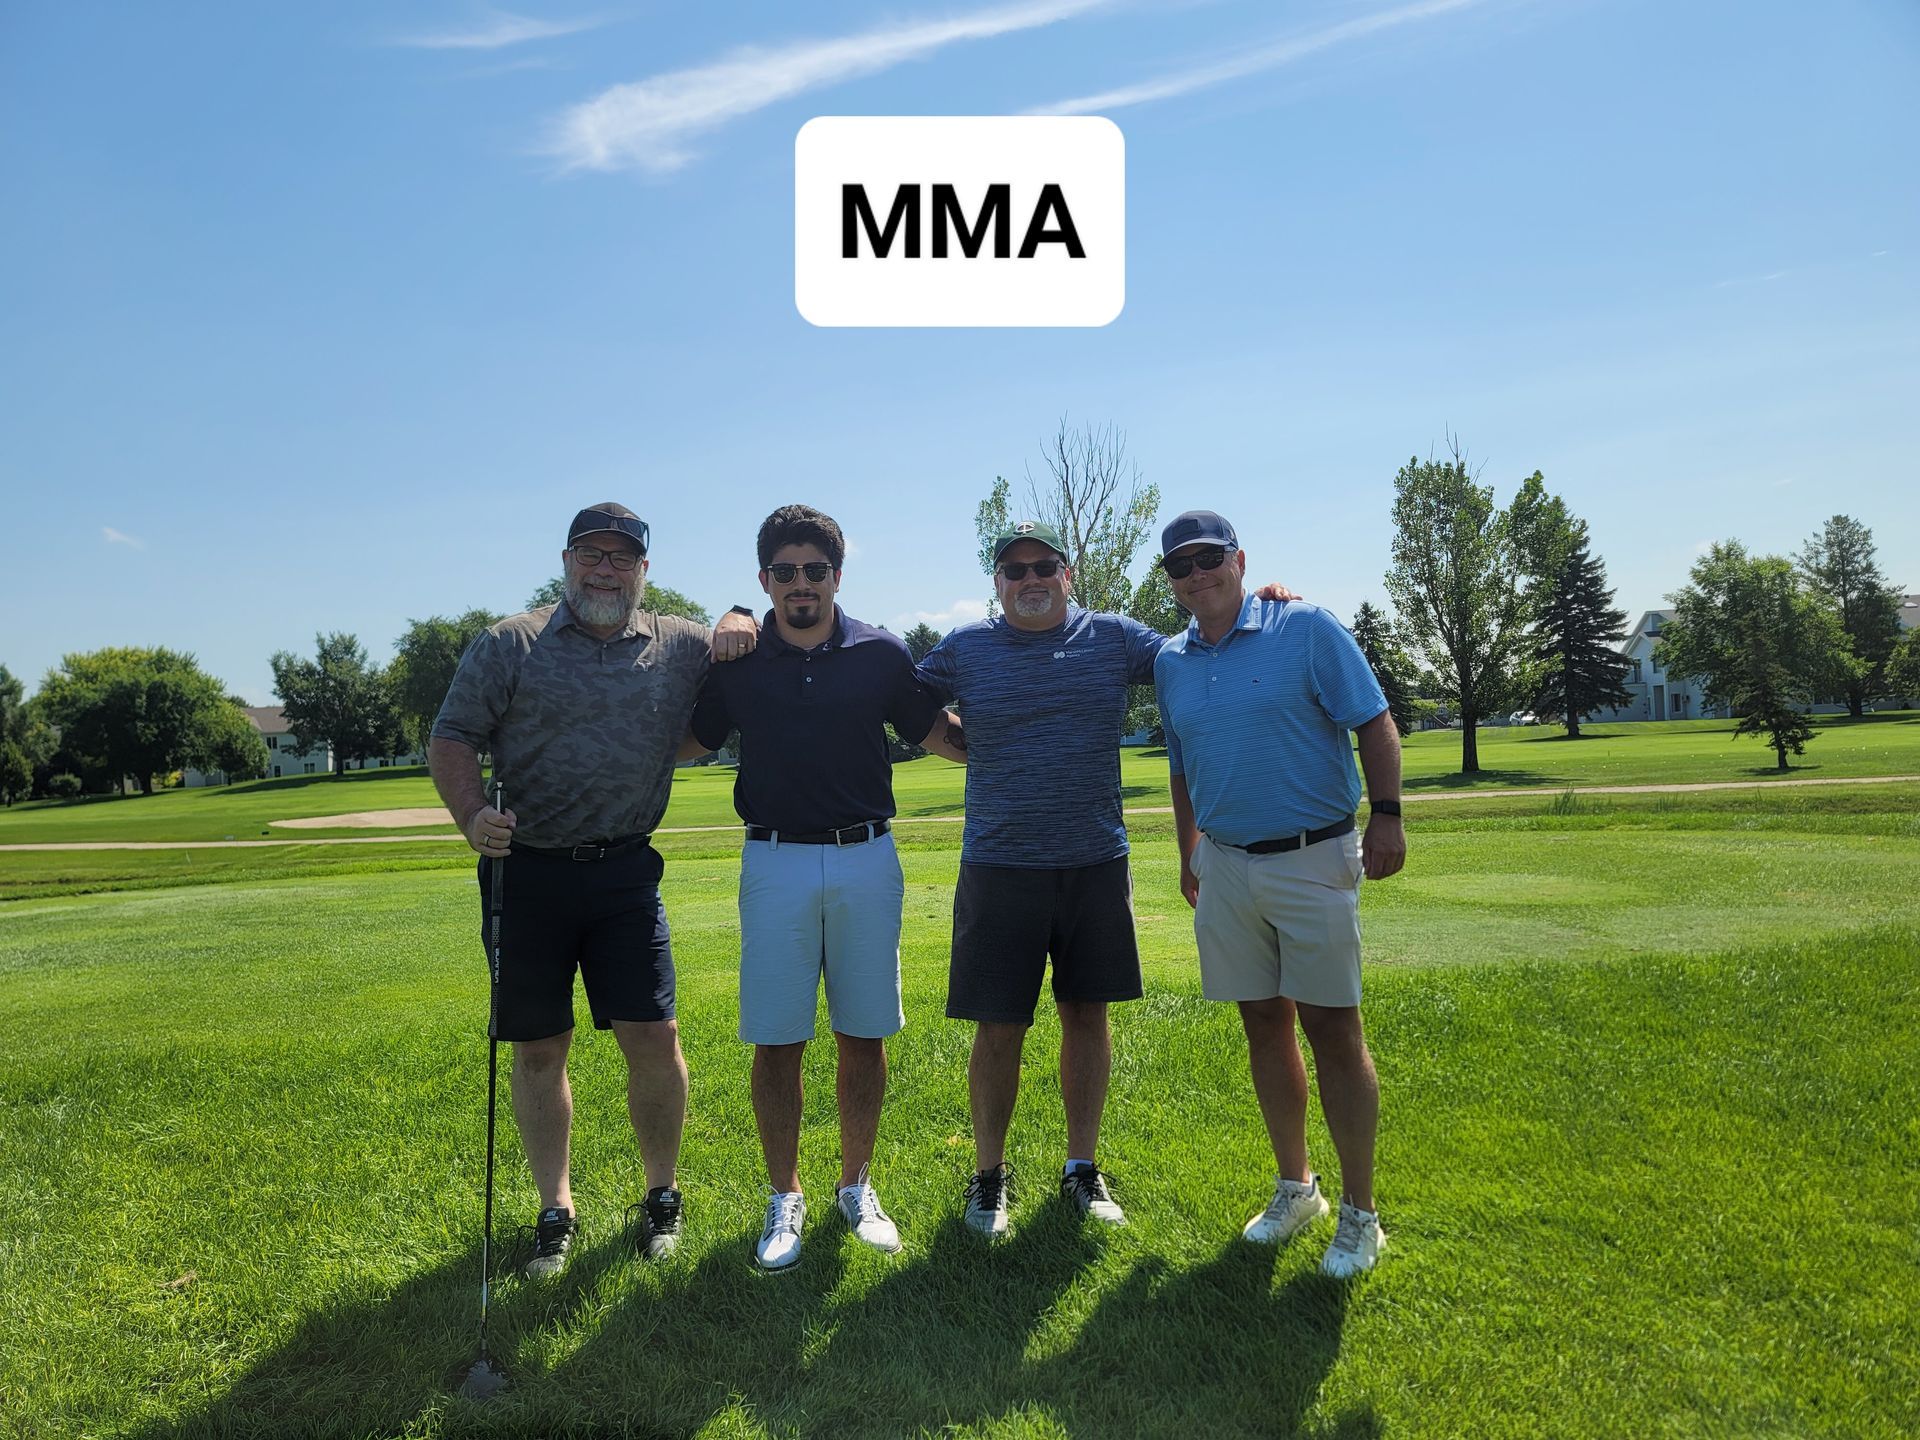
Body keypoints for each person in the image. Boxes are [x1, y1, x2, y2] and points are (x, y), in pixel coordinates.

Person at [915, 521, 1295, 1238]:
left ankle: (1080, 1168)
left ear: (1068, 574)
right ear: (996, 583)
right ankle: (989, 1177)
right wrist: (940, 736)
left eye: (1044, 567)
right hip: (999, 863)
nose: (1030, 579)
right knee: (999, 1027)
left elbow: (1202, 650)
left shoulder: (1115, 637)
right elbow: (896, 694)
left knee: (1087, 1015)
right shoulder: (966, 647)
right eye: (1014, 570)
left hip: (1094, 860)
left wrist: (1262, 605)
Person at [429, 501, 758, 1278]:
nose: (605, 569)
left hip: (624, 873)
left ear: (644, 570)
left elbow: (745, 649)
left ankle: (662, 1198)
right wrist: (472, 813)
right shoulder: (510, 642)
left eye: (621, 557)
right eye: (591, 554)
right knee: (540, 1048)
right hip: (527, 872)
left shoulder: (677, 643)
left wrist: (740, 610)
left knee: (655, 1036)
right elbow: (452, 736)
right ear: (567, 561)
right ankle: (556, 1208)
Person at [686, 504, 965, 1271]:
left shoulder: (879, 653)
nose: (800, 585)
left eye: (815, 571)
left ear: (837, 576)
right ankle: (785, 1196)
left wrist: (1036, 733)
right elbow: (687, 741)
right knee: (777, 1041)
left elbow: (939, 734)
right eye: (784, 573)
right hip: (773, 861)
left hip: (865, 858)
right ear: (764, 579)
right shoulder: (737, 659)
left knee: (862, 1034)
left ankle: (856, 1185)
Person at [1153, 509, 1406, 1277]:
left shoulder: (1306, 627)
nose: (1198, 575)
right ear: (1172, 581)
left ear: (1238, 559)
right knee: (1264, 1023)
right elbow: (1180, 762)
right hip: (1226, 864)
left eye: (1209, 559)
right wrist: (1188, 852)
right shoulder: (1172, 659)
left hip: (1313, 854)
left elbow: (1374, 722)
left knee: (1334, 1027)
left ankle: (1361, 1217)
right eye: (1181, 566)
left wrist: (1388, 815)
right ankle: (1298, 1187)